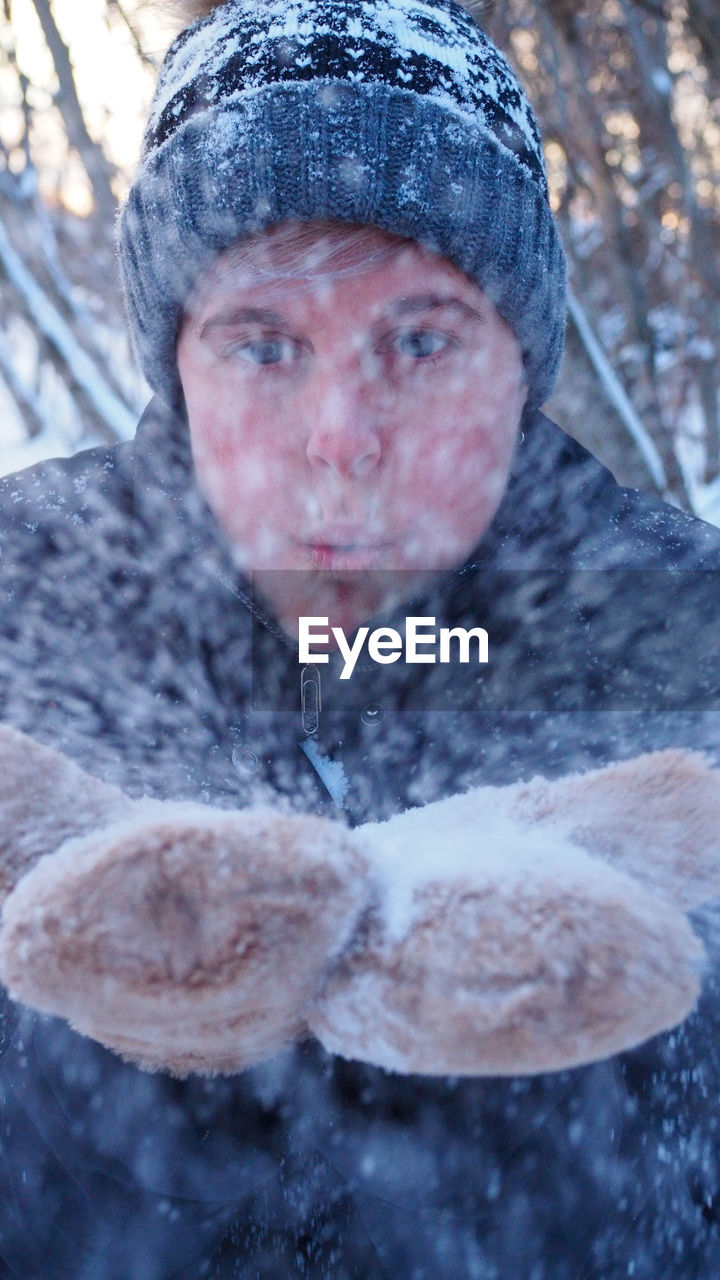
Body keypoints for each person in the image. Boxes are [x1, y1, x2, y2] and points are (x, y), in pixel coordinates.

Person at [0, 0, 720, 1276]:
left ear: (520, 361)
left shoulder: (681, 634)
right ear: (177, 363)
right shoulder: (24, 600)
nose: (343, 433)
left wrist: (572, 1074)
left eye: (423, 339)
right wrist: (111, 1075)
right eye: (265, 343)